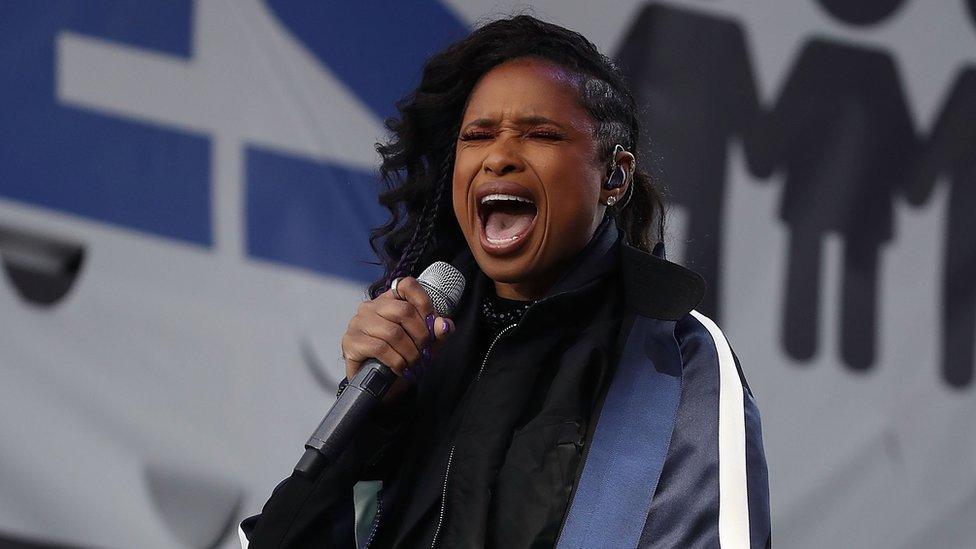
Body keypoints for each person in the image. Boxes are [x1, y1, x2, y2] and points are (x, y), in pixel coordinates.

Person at [241, 15, 770, 548]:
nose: (498, 157)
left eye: (540, 134)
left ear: (614, 175)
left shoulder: (675, 354)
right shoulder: (422, 353)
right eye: (478, 136)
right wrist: (373, 416)